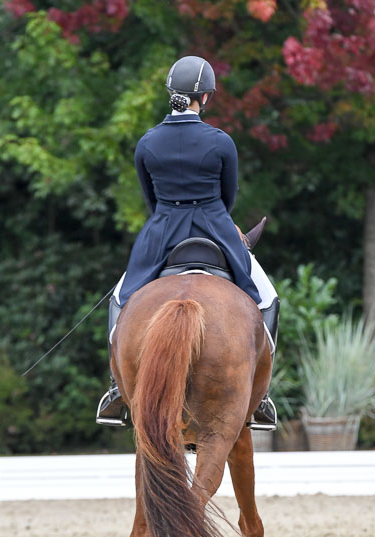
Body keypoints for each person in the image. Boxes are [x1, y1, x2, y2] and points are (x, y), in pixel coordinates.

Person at [96, 55, 279, 430]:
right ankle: (261, 395)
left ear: (171, 93)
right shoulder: (221, 142)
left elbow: (150, 198)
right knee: (267, 298)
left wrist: (169, 216)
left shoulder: (147, 143)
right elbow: (228, 197)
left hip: (162, 231)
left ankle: (117, 387)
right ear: (205, 97)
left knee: (120, 299)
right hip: (215, 227)